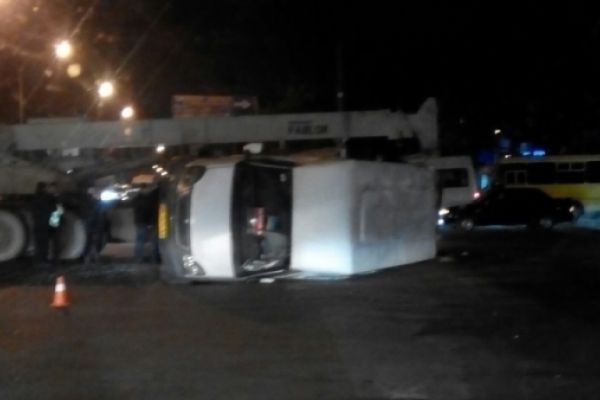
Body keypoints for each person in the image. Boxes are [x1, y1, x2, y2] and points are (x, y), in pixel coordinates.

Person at [32, 182, 61, 267]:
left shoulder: (37, 197)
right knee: (45, 244)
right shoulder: (48, 198)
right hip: (46, 224)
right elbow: (56, 211)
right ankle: (44, 261)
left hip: (40, 224)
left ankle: (41, 261)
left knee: (40, 244)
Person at [133, 183, 160, 263]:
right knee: (153, 241)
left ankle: (139, 258)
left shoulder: (137, 198)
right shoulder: (149, 198)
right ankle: (154, 258)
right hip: (147, 221)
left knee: (140, 240)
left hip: (140, 221)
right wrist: (149, 222)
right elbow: (148, 210)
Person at [82, 188, 108, 264]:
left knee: (92, 241)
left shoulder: (90, 203)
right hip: (94, 224)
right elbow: (99, 213)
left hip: (94, 224)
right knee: (93, 240)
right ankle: (91, 256)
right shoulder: (93, 203)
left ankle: (90, 256)